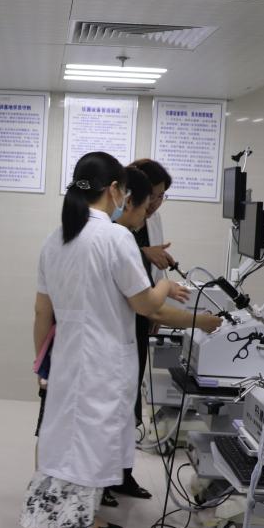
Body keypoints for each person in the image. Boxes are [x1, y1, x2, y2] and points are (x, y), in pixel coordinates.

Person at [0, 152, 189, 528]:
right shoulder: (115, 238)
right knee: (80, 473)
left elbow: (41, 313)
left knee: (68, 466)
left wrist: (42, 370)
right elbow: (146, 305)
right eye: (126, 191)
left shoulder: (55, 240)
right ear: (115, 190)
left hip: (69, 369)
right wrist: (167, 287)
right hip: (100, 375)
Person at [104, 158, 176, 503]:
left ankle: (123, 473)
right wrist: (146, 254)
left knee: (131, 396)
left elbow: (154, 270)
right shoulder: (113, 221)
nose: (156, 203)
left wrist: (157, 307)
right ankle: (102, 480)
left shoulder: (151, 219)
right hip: (120, 313)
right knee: (114, 401)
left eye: (162, 197)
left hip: (141, 313)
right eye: (154, 196)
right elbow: (116, 254)